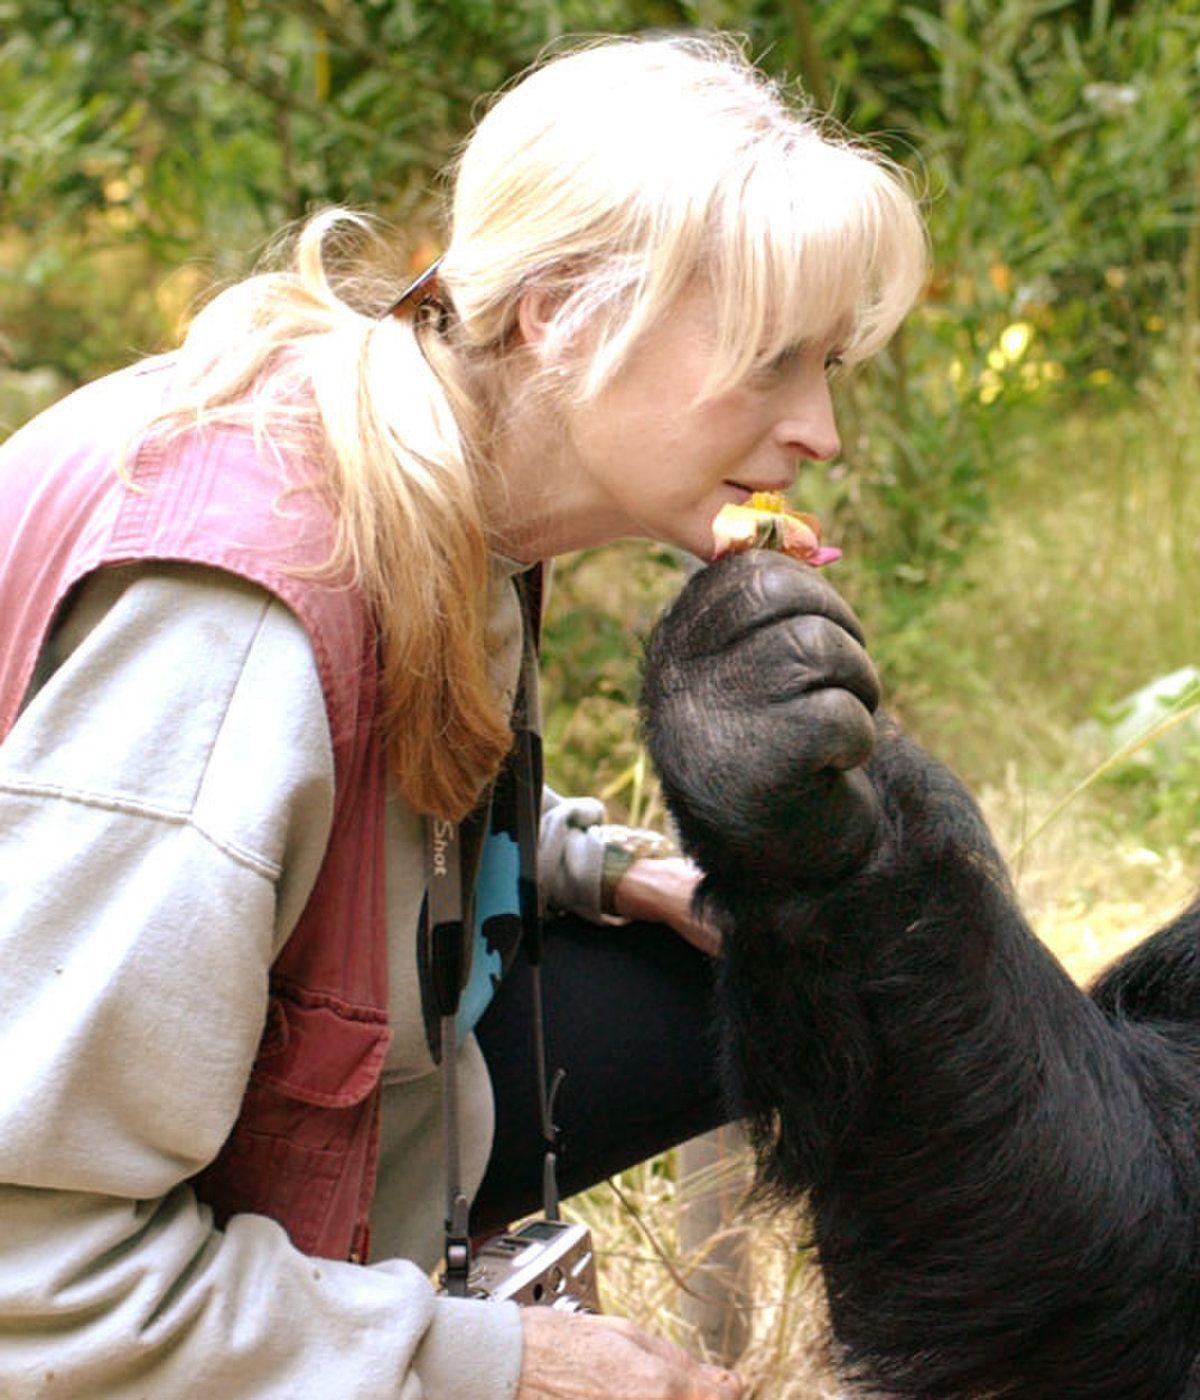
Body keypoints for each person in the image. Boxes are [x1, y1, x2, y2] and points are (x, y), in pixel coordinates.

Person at [0, 33, 925, 1400]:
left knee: (818, 966)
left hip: (263, 1108)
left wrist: (597, 868)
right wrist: (492, 1363)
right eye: (772, 359)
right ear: (560, 309)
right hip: (64, 1258)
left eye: (829, 365)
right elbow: (30, 1278)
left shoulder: (439, 468)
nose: (820, 432)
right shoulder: (237, 625)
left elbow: (346, 803)